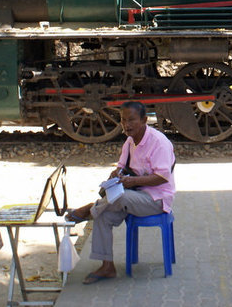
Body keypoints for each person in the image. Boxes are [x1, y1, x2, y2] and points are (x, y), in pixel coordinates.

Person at [65, 101, 176, 284]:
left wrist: (133, 181)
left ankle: (88, 209)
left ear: (144, 120)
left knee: (119, 197)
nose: (126, 125)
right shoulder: (130, 141)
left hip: (156, 200)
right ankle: (107, 266)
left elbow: (162, 177)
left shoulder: (159, 142)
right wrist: (116, 174)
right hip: (132, 196)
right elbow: (121, 167)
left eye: (131, 120)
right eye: (123, 120)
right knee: (103, 215)